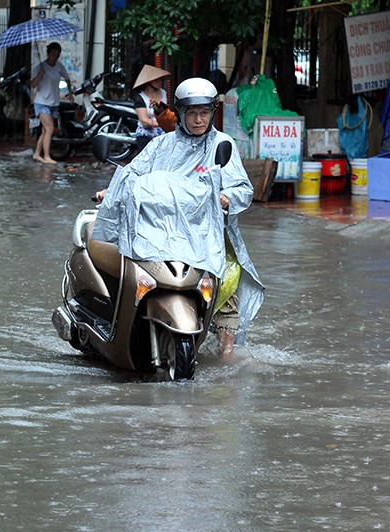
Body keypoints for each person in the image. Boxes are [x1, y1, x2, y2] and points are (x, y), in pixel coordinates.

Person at [92, 77, 265, 361]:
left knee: (227, 281)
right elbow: (134, 173)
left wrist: (225, 198)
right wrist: (109, 191)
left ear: (212, 113)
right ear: (181, 113)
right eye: (192, 113)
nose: (198, 120)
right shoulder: (162, 145)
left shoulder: (222, 144)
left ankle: (226, 357)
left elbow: (243, 189)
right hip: (160, 231)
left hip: (207, 233)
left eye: (204, 113)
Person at [31, 42, 72, 164]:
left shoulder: (59, 66)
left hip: (54, 102)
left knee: (45, 131)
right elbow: (33, 84)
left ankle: (37, 154)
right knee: (49, 128)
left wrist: (70, 93)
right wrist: (39, 75)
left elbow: (67, 79)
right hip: (41, 102)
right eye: (53, 55)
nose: (55, 58)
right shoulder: (40, 67)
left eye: (57, 55)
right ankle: (47, 156)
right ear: (48, 54)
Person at [131, 64, 171, 152]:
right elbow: (144, 121)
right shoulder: (140, 98)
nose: (160, 82)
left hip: (163, 135)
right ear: (149, 82)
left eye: (160, 79)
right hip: (146, 136)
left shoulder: (164, 93)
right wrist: (162, 124)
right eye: (157, 80)